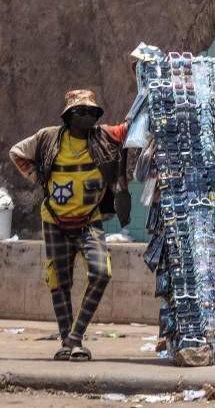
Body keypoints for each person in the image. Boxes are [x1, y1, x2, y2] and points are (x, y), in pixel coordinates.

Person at [8, 90, 130, 361]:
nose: (87, 117)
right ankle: (68, 342)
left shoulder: (104, 137)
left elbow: (129, 128)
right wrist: (38, 177)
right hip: (55, 221)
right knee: (59, 281)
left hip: (89, 221)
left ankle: (76, 335)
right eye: (80, 112)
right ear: (68, 116)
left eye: (91, 112)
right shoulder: (48, 138)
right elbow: (17, 153)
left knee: (101, 272)